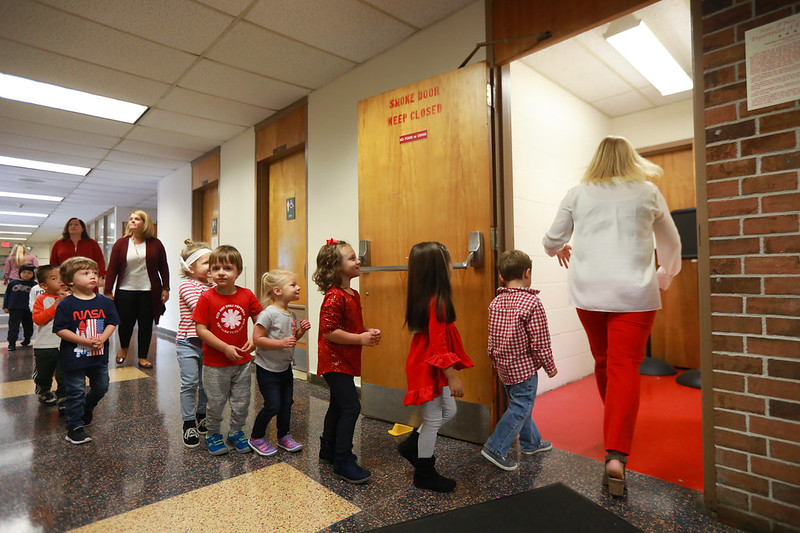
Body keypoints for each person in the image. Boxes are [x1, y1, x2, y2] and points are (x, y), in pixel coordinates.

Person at [542, 135, 681, 497]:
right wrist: (665, 274)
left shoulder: (577, 192)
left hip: (589, 292)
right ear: (630, 159)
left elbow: (551, 240)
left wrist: (560, 247)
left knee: (604, 362)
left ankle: (616, 416)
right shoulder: (647, 192)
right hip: (634, 294)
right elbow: (671, 242)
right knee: (624, 366)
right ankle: (616, 453)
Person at [398, 242, 474, 493]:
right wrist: (452, 376)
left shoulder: (432, 298)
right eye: (449, 262)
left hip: (429, 364)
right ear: (439, 270)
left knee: (448, 411)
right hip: (429, 366)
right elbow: (439, 346)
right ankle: (424, 473)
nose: (453, 267)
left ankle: (412, 445)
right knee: (432, 421)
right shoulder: (436, 302)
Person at [481, 250, 558, 471]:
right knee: (521, 405)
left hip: (504, 366)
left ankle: (530, 442)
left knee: (522, 404)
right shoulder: (532, 303)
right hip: (523, 369)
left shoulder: (496, 302)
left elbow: (492, 335)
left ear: (501, 277)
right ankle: (495, 447)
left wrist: (494, 358)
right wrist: (550, 367)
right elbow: (540, 341)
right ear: (528, 273)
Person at [313, 239, 381, 484]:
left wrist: (365, 331)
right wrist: (360, 338)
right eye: (351, 258)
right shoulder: (334, 296)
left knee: (339, 405)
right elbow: (329, 331)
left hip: (344, 359)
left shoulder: (352, 293)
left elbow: (350, 324)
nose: (358, 261)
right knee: (351, 407)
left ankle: (328, 451)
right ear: (336, 266)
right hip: (334, 360)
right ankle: (343, 460)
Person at [192, 245, 262, 456]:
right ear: (210, 273)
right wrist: (224, 347)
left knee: (242, 402)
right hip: (214, 365)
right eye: (216, 268)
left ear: (238, 272)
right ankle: (212, 434)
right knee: (215, 402)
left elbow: (260, 319)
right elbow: (200, 329)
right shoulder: (207, 298)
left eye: (228, 268)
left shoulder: (247, 295)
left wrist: (254, 339)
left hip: (241, 362)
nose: (221, 272)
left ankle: (236, 432)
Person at [53, 257, 120, 445]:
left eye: (94, 273)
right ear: (70, 281)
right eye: (85, 273)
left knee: (102, 386)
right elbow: (60, 329)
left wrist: (103, 338)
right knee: (75, 391)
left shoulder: (105, 302)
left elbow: (112, 322)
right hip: (74, 357)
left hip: (98, 357)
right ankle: (73, 428)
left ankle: (86, 408)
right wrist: (86, 341)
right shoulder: (67, 304)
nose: (93, 276)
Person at [249, 270, 311, 456]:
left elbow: (290, 337)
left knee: (286, 404)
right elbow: (257, 339)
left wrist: (300, 332)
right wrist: (280, 343)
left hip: (284, 369)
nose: (298, 287)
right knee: (273, 405)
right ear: (277, 291)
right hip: (267, 369)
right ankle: (256, 437)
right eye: (292, 285)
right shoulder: (268, 314)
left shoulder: (290, 314)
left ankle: (283, 436)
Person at [104, 210, 169, 369]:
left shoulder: (156, 244)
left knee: (146, 325)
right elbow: (112, 269)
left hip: (149, 291)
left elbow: (163, 267)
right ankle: (124, 348)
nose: (132, 221)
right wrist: (107, 291)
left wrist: (166, 288)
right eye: (131, 218)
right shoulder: (121, 243)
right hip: (125, 290)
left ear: (145, 223)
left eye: (137, 219)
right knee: (125, 323)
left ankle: (143, 357)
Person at [175, 239, 213, 448]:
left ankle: (202, 414)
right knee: (190, 383)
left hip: (209, 344)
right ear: (190, 268)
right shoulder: (187, 285)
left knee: (206, 383)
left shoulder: (216, 286)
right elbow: (202, 309)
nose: (212, 267)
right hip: (188, 342)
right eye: (206, 263)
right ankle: (188, 423)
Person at [31, 264, 70, 412]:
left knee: (64, 373)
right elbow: (38, 319)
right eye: (55, 278)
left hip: (65, 344)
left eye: (62, 277)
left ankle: (63, 396)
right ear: (44, 285)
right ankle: (43, 391)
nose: (61, 281)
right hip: (44, 346)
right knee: (43, 373)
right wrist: (56, 304)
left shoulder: (71, 297)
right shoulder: (41, 299)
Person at [3, 263, 37, 351]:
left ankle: (27, 339)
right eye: (24, 272)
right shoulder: (13, 283)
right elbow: (7, 295)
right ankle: (11, 343)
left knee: (28, 325)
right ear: (20, 273)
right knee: (13, 326)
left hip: (28, 309)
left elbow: (36, 297)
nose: (26, 274)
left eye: (29, 273)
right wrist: (5, 306)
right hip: (14, 308)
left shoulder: (34, 285)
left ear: (33, 275)